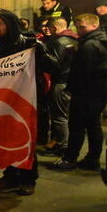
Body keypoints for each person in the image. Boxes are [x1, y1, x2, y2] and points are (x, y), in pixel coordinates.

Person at [0, 11, 42, 195]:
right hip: (2, 102)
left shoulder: (27, 45)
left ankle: (28, 179)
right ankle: (10, 176)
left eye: (0, 23)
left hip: (24, 100)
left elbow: (53, 66)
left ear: (11, 25)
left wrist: (40, 51)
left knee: (23, 138)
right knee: (4, 139)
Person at [52, 13, 107, 172]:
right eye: (78, 27)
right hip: (98, 91)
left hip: (85, 93)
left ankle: (70, 158)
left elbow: (82, 71)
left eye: (83, 27)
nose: (79, 30)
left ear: (94, 25)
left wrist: (75, 89)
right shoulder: (103, 41)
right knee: (93, 126)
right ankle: (92, 159)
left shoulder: (89, 45)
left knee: (77, 127)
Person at [38, 16, 77, 158]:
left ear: (55, 28)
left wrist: (42, 52)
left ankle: (62, 147)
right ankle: (62, 145)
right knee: (65, 116)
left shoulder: (59, 42)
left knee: (59, 117)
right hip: (70, 81)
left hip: (61, 82)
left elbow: (56, 65)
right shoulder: (74, 39)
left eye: (50, 28)